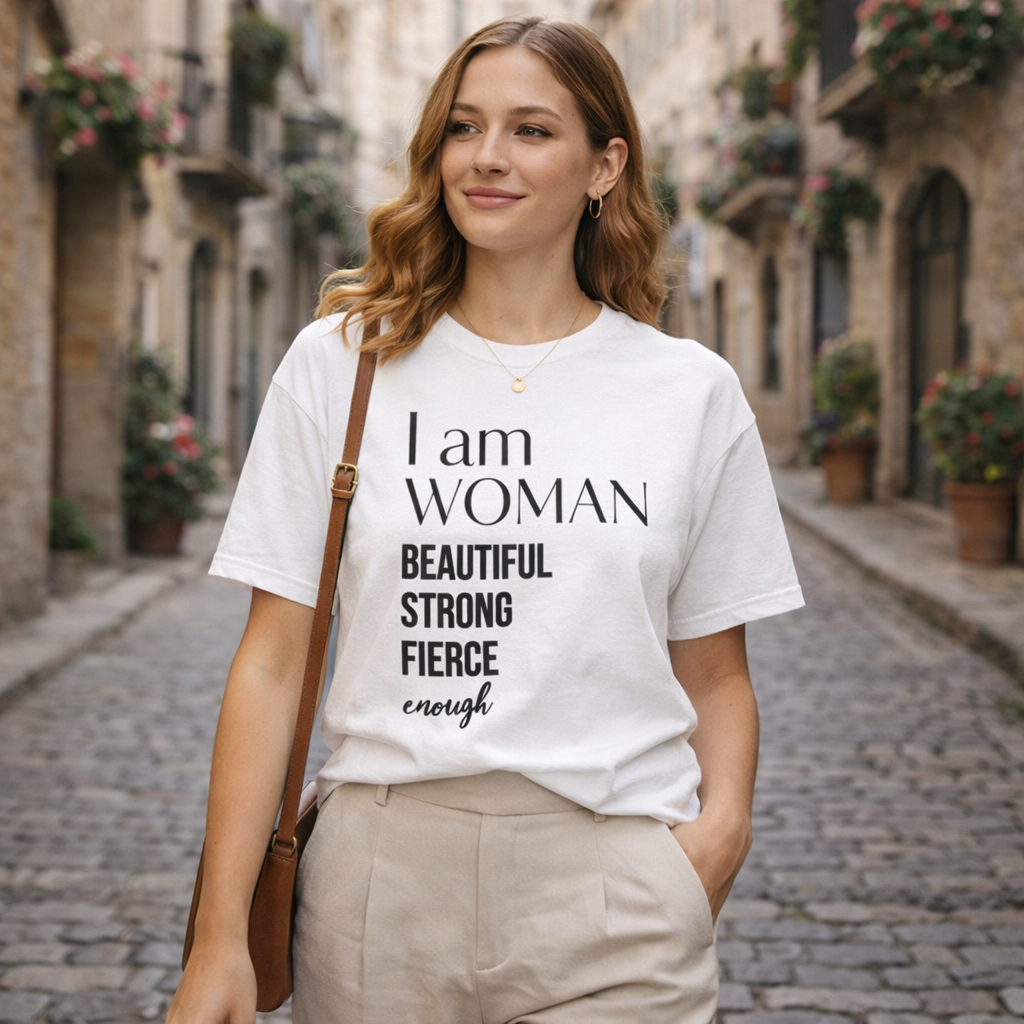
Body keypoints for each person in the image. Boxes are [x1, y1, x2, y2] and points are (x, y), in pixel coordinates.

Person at [166, 15, 804, 1024]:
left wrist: (713, 842)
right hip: (378, 885)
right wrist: (215, 942)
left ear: (605, 164)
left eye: (532, 130)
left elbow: (716, 672)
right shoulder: (341, 365)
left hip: (616, 893)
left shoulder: (690, 391)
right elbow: (273, 663)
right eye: (463, 127)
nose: (488, 158)